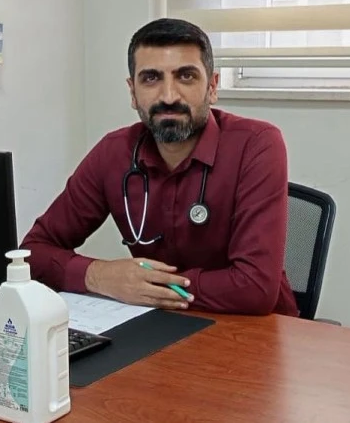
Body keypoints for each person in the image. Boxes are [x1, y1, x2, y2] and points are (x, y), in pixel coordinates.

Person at [21, 18, 299, 317]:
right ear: (132, 92)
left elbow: (254, 288)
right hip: (158, 325)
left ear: (212, 87)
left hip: (254, 329)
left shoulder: (257, 145)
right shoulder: (113, 153)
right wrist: (99, 275)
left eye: (186, 76)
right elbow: (32, 253)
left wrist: (148, 288)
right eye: (151, 78)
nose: (169, 96)